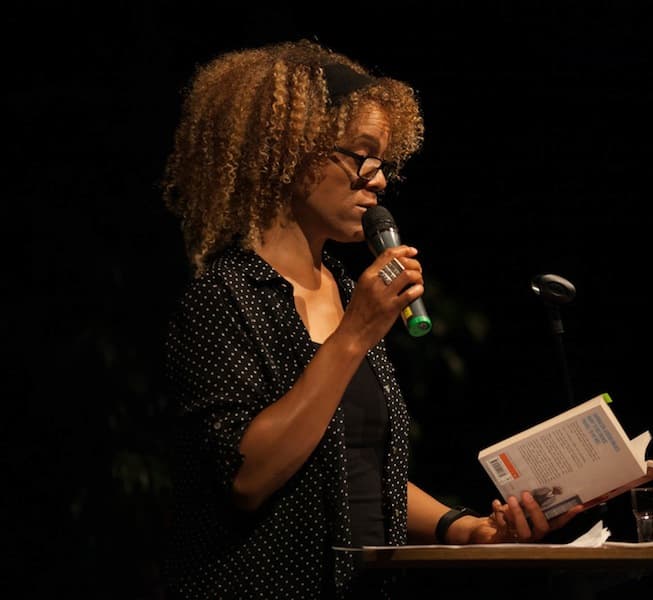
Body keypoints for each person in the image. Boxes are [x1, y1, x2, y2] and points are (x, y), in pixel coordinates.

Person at [159, 39, 584, 599]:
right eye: (362, 156)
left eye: (384, 164)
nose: (378, 180)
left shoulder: (343, 288)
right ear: (290, 153)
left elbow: (352, 469)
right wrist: (355, 332)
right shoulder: (225, 296)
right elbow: (247, 476)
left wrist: (464, 528)